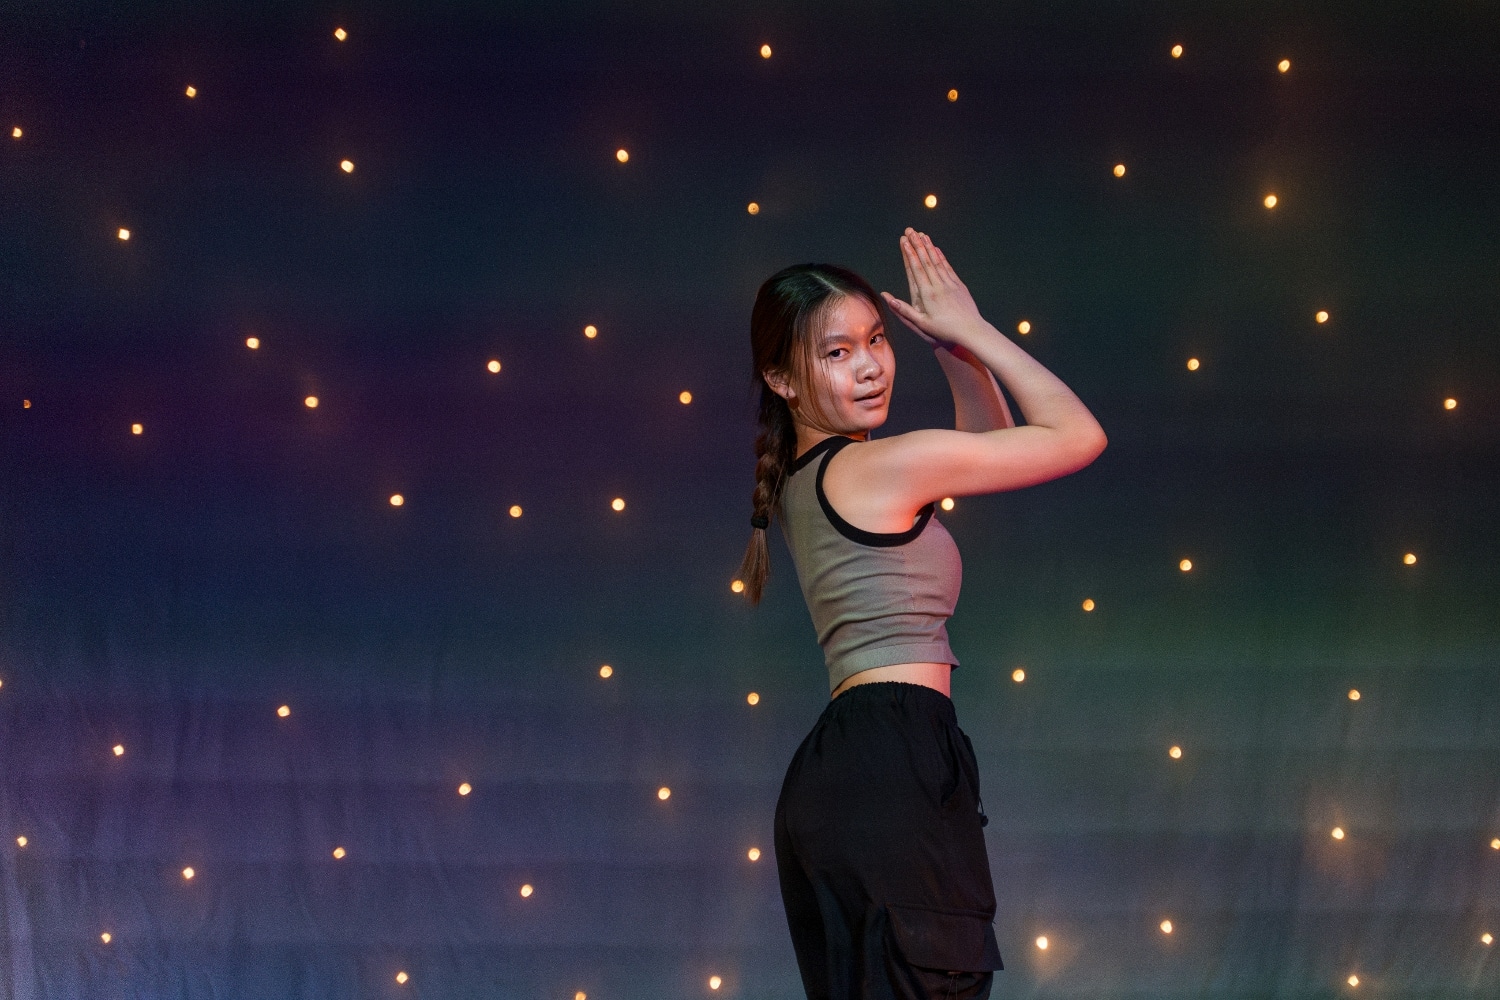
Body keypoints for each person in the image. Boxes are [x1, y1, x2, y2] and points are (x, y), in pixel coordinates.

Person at [737, 228, 1107, 1000]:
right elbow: (1076, 438)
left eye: (877, 339)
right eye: (836, 352)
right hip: (889, 758)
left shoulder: (812, 477)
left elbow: (988, 449)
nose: (870, 365)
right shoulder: (877, 466)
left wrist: (951, 346)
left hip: (858, 766)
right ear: (781, 378)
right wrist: (975, 331)